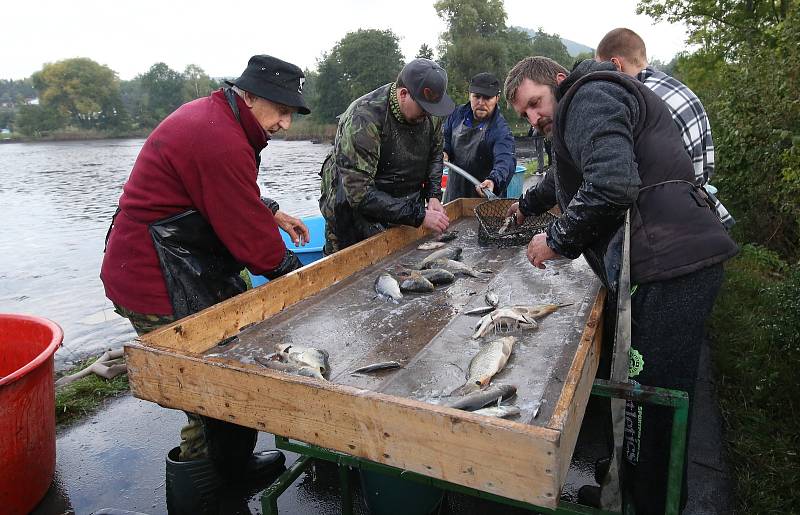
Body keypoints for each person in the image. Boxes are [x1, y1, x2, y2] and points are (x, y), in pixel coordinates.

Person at [503, 56, 738, 514]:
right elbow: (569, 175)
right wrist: (527, 204)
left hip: (671, 270)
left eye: (535, 103)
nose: (534, 118)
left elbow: (611, 183)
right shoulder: (586, 100)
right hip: (665, 265)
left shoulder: (587, 96)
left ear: (557, 80)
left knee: (655, 406)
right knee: (640, 395)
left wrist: (555, 240)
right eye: (525, 115)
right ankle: (626, 492)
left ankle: (650, 505)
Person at [101, 54, 311, 513]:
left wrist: (269, 209)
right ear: (248, 94)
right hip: (153, 273)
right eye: (279, 108)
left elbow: (227, 189)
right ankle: (200, 499)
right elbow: (253, 243)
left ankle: (233, 469)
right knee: (206, 392)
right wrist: (298, 278)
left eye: (291, 112)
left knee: (229, 369)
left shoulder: (222, 121)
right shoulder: (218, 135)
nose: (285, 123)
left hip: (185, 260)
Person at [596, 27, 734, 229]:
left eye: (603, 71)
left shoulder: (640, 102)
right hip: (703, 211)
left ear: (616, 64)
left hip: (671, 223)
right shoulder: (678, 88)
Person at [319, 58, 455, 254]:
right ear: (403, 94)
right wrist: (418, 215)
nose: (428, 115)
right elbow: (360, 194)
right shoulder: (363, 118)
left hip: (402, 199)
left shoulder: (430, 114)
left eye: (433, 109)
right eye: (424, 108)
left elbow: (435, 155)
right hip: (352, 207)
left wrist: (433, 195)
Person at [441, 72, 516, 201]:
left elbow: (505, 161)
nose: (481, 102)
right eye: (477, 97)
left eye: (487, 98)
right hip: (454, 195)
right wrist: (444, 151)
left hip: (484, 198)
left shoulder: (500, 130)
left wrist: (493, 180)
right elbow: (445, 139)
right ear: (469, 95)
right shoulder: (456, 115)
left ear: (497, 98)